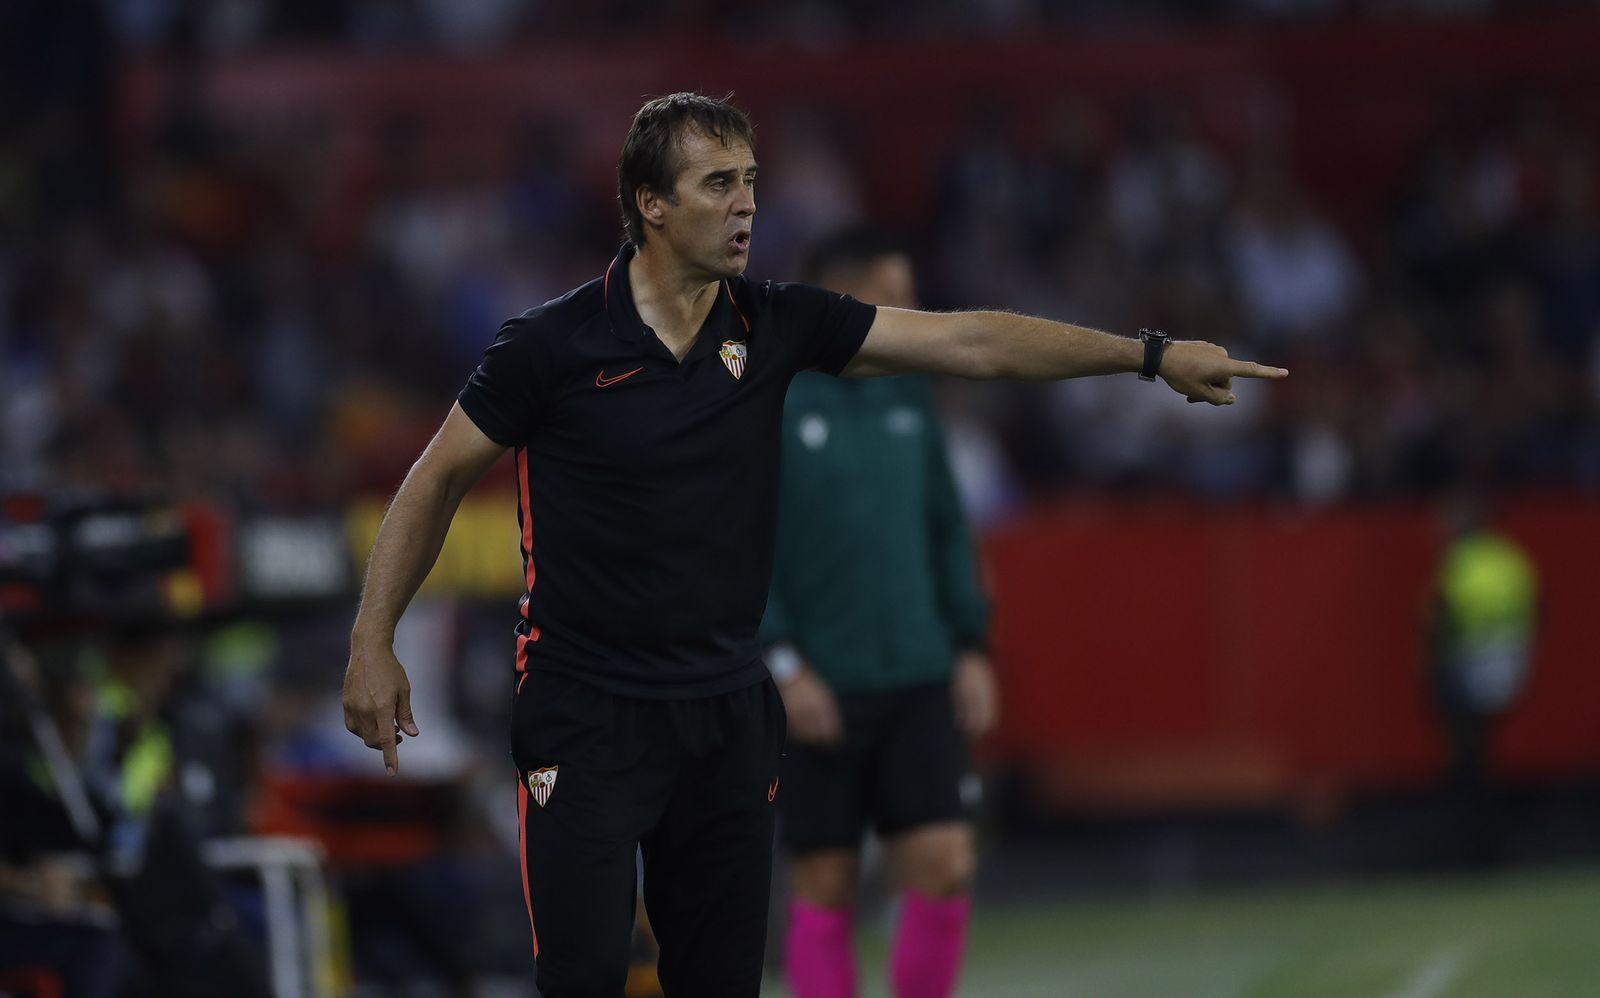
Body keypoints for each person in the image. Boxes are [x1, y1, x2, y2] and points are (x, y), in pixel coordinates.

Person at [341, 92, 1287, 997]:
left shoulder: (780, 322)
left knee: (717, 984)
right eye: (718, 183)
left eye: (750, 179)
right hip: (586, 708)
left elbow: (970, 345)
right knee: (584, 974)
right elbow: (432, 482)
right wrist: (372, 641)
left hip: (725, 710)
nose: (746, 201)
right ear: (651, 205)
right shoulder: (548, 345)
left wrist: (1150, 356)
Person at [763, 226, 994, 998]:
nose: (916, 310)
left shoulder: (911, 392)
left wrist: (970, 645)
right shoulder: (772, 394)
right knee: (824, 883)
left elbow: (946, 526)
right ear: (844, 296)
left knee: (945, 864)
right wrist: (784, 666)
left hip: (919, 673)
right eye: (896, 295)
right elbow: (739, 545)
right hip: (819, 685)